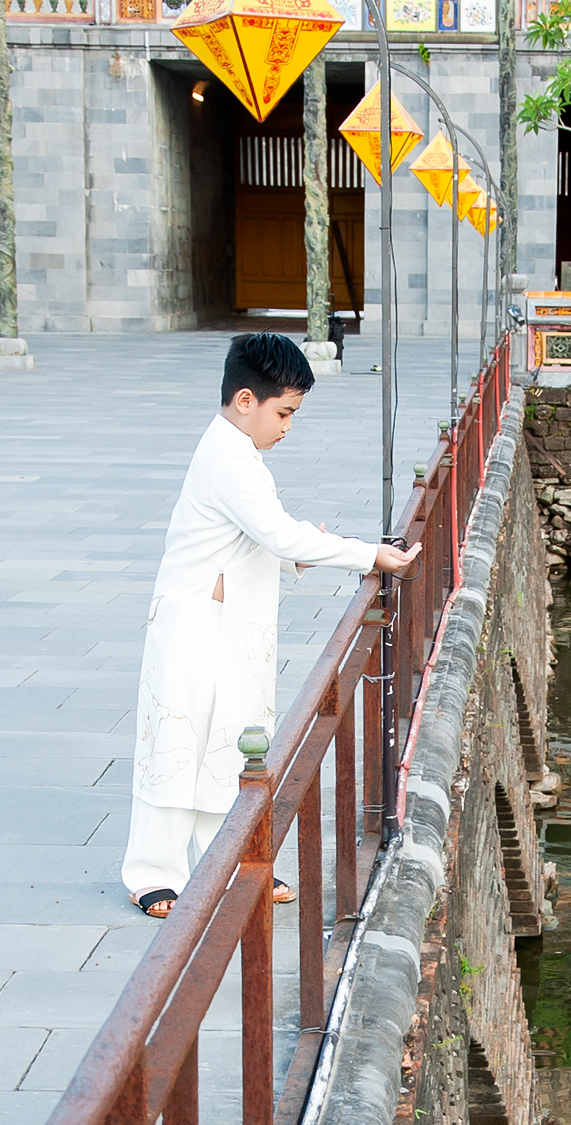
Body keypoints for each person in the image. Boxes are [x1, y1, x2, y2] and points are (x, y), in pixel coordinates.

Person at [122, 331, 419, 918]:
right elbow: (275, 531)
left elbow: (264, 534)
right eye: (283, 412)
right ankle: (151, 873)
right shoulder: (229, 458)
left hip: (222, 624)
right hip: (193, 626)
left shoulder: (238, 455)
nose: (287, 425)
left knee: (227, 740)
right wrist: (368, 554)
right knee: (179, 740)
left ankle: (228, 862)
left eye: (293, 414)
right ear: (244, 401)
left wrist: (302, 549)